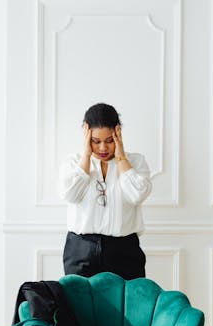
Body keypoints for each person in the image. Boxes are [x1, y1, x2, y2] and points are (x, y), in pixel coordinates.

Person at [59, 103, 152, 280]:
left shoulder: (135, 162)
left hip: (124, 249)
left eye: (109, 140)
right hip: (80, 249)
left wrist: (121, 158)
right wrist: (86, 157)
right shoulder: (73, 163)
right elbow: (71, 195)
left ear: (118, 133)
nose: (103, 148)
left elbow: (137, 195)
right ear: (86, 136)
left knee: (128, 305)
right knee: (80, 305)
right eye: (96, 141)